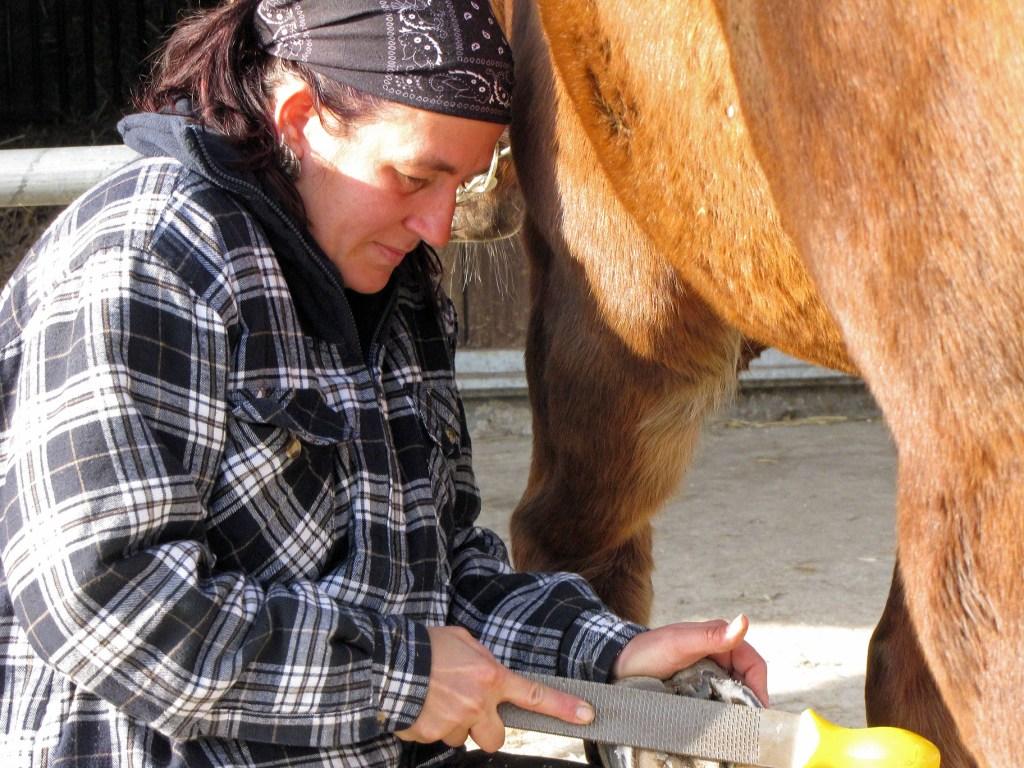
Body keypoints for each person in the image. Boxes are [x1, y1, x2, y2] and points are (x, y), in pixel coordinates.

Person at [0, 1, 767, 766]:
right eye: (414, 177)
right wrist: (399, 681)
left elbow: (441, 578)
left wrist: (614, 655)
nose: (437, 227)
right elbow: (107, 606)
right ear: (301, 117)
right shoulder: (152, 257)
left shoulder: (397, 287)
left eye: (460, 186)